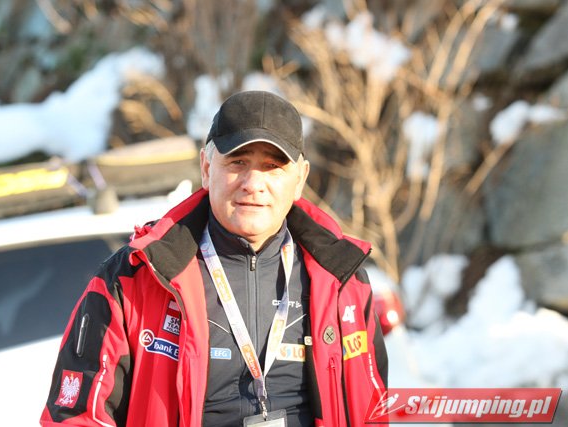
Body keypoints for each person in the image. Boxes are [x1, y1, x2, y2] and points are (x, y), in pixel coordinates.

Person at [40, 90, 388, 427]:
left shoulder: (344, 281)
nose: (253, 183)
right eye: (238, 162)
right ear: (206, 168)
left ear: (300, 180)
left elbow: (373, 411)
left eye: (272, 167)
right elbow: (76, 419)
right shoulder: (133, 277)